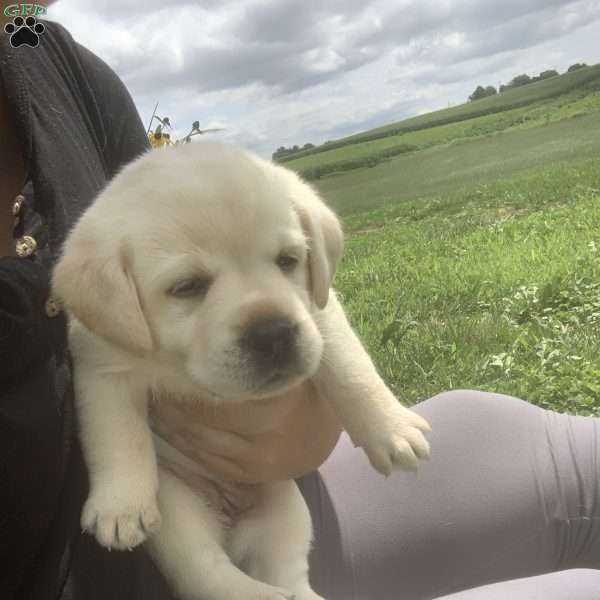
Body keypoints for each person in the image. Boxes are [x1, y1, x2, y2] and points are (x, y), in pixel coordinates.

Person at [1, 13, 599, 600]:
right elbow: (104, 369)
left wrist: (344, 417)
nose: (266, 313)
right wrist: (129, 479)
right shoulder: (102, 300)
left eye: (286, 260)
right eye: (189, 286)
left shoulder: (48, 59)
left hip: (285, 486)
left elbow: (320, 309)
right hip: (149, 535)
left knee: (571, 467)